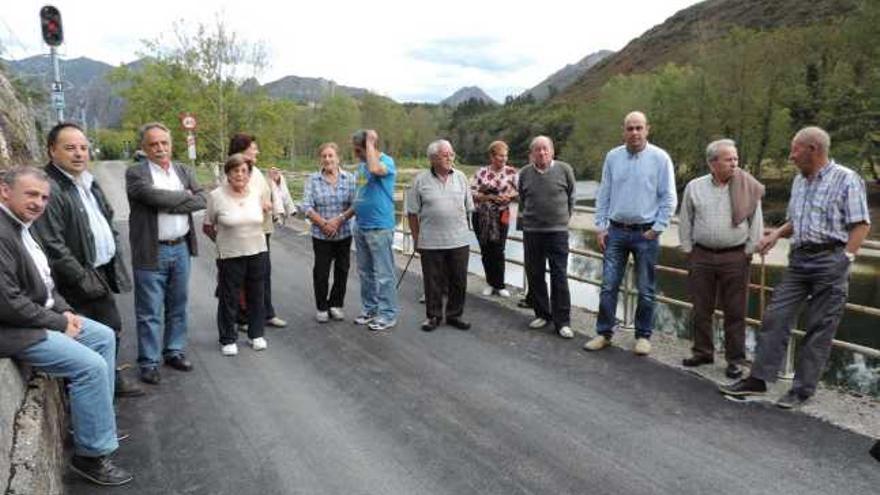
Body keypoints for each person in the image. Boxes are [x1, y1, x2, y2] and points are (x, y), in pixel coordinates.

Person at [719, 126, 871, 408]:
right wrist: (775, 235)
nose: (790, 156)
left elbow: (861, 224)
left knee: (819, 328)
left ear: (813, 149)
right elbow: (796, 222)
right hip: (800, 260)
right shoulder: (800, 181)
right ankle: (759, 379)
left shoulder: (847, 180)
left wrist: (846, 258)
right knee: (776, 316)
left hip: (831, 260)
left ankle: (801, 390)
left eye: (795, 150)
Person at [0, 166, 132, 486]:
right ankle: (91, 455)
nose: (39, 203)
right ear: (4, 191)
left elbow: (45, 283)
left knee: (102, 336)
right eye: (31, 194)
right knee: (90, 365)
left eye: (44, 197)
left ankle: (94, 424)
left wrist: (66, 312)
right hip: (14, 330)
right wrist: (58, 322)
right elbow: (7, 303)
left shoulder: (22, 226)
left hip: (38, 317)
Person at [32, 122, 143, 398]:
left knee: (109, 329)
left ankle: (108, 384)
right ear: (52, 151)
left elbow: (105, 218)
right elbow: (53, 244)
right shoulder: (51, 187)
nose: (79, 153)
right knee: (84, 336)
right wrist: (81, 279)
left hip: (97, 270)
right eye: (70, 148)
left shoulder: (87, 182)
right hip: (75, 277)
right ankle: (92, 393)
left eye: (83, 147)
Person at [586, 111, 677, 356]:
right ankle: (604, 333)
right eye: (630, 128)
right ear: (623, 131)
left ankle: (643, 336)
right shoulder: (612, 157)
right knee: (608, 286)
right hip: (615, 231)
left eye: (639, 127)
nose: (634, 132)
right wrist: (601, 226)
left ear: (648, 129)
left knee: (646, 289)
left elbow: (669, 196)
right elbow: (604, 193)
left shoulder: (660, 158)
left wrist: (657, 228)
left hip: (645, 234)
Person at [126, 122, 207, 385]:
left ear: (171, 144)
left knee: (178, 305)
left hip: (180, 247)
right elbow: (152, 197)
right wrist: (182, 198)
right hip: (152, 251)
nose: (160, 148)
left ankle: (174, 350)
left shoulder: (183, 170)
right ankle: (148, 362)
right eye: (153, 144)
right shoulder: (135, 173)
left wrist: (171, 201)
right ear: (144, 147)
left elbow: (203, 198)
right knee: (149, 310)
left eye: (164, 143)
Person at [678, 139, 764, 379]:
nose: (735, 163)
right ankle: (703, 352)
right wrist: (688, 248)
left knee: (735, 311)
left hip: (735, 256)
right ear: (712, 163)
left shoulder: (746, 186)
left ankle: (735, 360)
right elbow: (686, 218)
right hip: (702, 254)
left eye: (736, 159)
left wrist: (749, 250)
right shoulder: (694, 187)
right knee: (701, 308)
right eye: (729, 159)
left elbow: (756, 221)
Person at [203, 154, 269, 355]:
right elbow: (207, 226)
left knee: (257, 294)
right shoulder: (216, 196)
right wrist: (224, 242)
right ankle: (228, 338)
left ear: (249, 175)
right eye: (235, 171)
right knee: (229, 297)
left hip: (257, 251)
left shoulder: (256, 193)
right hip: (230, 255)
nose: (240, 175)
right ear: (228, 174)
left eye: (244, 171)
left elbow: (262, 219)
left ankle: (256, 334)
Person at [407, 139, 475, 332]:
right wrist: (416, 238)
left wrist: (467, 233)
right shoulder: (420, 180)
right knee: (433, 281)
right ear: (433, 158)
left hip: (459, 239)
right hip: (430, 241)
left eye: (451, 154)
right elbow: (412, 213)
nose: (450, 158)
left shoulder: (461, 177)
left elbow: (469, 207)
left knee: (459, 280)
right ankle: (433, 316)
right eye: (445, 155)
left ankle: (455, 315)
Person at [518, 136, 577, 339]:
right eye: (537, 150)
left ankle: (562, 322)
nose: (541, 153)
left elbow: (571, 197)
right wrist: (525, 224)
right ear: (531, 153)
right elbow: (523, 200)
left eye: (545, 149)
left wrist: (563, 219)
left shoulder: (564, 170)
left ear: (552, 151)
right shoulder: (525, 173)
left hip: (557, 232)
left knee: (559, 275)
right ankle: (542, 314)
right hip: (532, 231)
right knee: (534, 273)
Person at [228, 133, 288, 329]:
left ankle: (266, 313)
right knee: (245, 276)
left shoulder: (255, 172)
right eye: (253, 148)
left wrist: (274, 181)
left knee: (263, 273)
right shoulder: (236, 172)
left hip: (262, 229)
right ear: (242, 150)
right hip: (245, 232)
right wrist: (257, 205)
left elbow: (264, 193)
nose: (257, 151)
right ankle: (243, 316)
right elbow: (233, 199)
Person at [301, 143, 356, 323]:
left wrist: (339, 220)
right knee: (321, 271)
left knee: (342, 269)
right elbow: (306, 206)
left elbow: (355, 204)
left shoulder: (350, 178)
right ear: (320, 159)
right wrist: (324, 223)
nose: (327, 159)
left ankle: (336, 304)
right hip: (321, 235)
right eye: (324, 156)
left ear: (338, 158)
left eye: (331, 156)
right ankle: (322, 307)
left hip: (344, 233)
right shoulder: (313, 180)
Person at [351, 129, 398, 331]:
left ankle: (387, 314)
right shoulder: (361, 166)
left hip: (380, 227)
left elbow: (376, 169)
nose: (356, 154)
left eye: (358, 150)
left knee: (384, 274)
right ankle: (370, 309)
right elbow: (360, 194)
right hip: (361, 225)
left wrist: (370, 142)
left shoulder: (386, 162)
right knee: (365, 272)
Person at [471, 140, 518, 298]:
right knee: (486, 250)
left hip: (501, 215)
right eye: (500, 156)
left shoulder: (512, 172)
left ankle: (500, 284)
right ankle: (490, 283)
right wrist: (489, 196)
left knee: (499, 249)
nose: (503, 159)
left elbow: (520, 192)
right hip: (482, 216)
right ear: (492, 156)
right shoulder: (481, 172)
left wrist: (508, 196)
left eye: (505, 156)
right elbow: (472, 193)